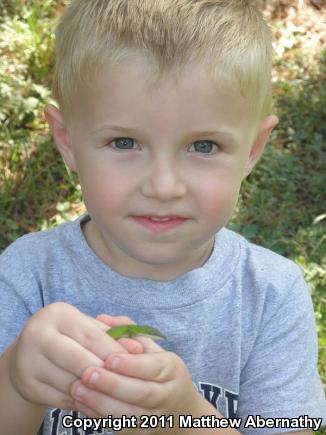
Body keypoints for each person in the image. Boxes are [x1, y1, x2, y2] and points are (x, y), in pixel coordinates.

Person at [0, 0, 325, 434]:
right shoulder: (27, 276)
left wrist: (181, 418)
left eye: (204, 146)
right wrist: (15, 380)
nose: (163, 186)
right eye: (123, 142)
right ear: (67, 142)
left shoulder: (271, 296)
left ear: (252, 149)